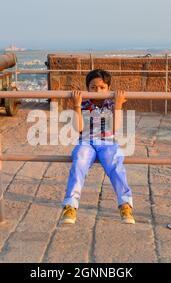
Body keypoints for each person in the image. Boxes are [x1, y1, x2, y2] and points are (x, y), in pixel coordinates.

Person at [61, 69, 135, 224]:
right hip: (86, 142)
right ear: (87, 88)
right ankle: (71, 204)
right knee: (79, 161)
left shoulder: (111, 104)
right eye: (93, 87)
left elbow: (115, 128)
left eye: (102, 87)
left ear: (108, 88)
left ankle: (125, 204)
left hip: (107, 142)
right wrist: (76, 105)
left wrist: (118, 106)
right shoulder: (84, 103)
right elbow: (78, 129)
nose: (97, 91)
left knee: (115, 164)